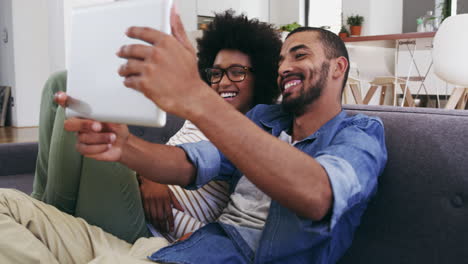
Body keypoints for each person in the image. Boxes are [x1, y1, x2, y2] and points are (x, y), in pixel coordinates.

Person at [0, 5, 387, 263]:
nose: (284, 66)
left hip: (186, 252)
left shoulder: (360, 133)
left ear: (338, 67)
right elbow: (190, 163)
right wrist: (125, 146)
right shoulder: (265, 122)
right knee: (5, 204)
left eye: (299, 55)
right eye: (281, 58)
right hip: (154, 250)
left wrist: (198, 98)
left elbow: (318, 195)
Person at [30, 10, 281, 243]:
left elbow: (221, 226)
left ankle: (47, 220)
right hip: (131, 192)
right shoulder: (198, 116)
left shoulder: (253, 136)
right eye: (216, 73)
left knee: (79, 97)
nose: (223, 82)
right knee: (58, 82)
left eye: (237, 72)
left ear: (260, 77)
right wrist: (148, 177)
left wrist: (172, 225)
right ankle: (40, 204)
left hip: (148, 228)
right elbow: (158, 160)